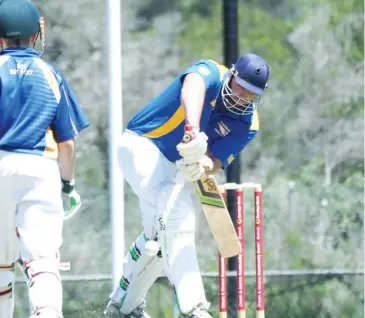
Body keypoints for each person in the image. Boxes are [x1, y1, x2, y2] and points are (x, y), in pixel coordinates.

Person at [104, 53, 270, 318]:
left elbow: (217, 159)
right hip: (144, 144)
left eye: (250, 94)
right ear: (231, 74)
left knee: (158, 237)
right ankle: (194, 310)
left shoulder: (248, 123)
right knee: (179, 217)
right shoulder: (210, 72)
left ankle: (123, 306)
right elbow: (193, 87)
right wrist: (192, 130)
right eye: (240, 88)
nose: (242, 97)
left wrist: (201, 165)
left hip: (175, 167)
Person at [0, 0, 89, 317]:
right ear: (35, 36)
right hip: (39, 172)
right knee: (42, 262)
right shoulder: (50, 74)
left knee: (0, 265)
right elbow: (67, 144)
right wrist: (67, 184)